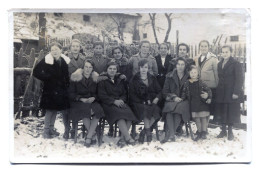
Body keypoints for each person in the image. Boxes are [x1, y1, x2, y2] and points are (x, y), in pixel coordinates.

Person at [33, 42, 70, 139]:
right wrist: (47, 77)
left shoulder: (64, 60)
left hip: (61, 90)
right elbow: (36, 72)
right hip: (50, 89)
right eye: (52, 49)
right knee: (50, 110)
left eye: (56, 49)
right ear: (50, 51)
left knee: (55, 110)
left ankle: (51, 129)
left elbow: (66, 76)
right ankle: (46, 131)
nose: (54, 51)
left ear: (61, 50)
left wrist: (67, 85)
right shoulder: (47, 60)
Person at [98, 61, 137, 147]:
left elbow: (124, 93)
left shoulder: (120, 80)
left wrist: (122, 100)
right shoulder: (102, 80)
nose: (112, 71)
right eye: (110, 69)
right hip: (108, 104)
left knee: (129, 115)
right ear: (106, 70)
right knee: (120, 116)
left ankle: (122, 138)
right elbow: (102, 95)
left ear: (117, 70)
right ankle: (127, 137)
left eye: (114, 69)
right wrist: (114, 101)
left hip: (120, 102)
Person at [69, 60, 105, 147]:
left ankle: (89, 136)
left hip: (92, 102)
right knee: (85, 111)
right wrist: (81, 99)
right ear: (83, 68)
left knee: (97, 111)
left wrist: (94, 98)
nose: (88, 69)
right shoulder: (75, 77)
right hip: (79, 102)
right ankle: (92, 135)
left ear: (92, 69)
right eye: (86, 67)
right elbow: (71, 93)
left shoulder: (95, 79)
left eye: (90, 67)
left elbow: (99, 93)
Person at [129, 59, 162, 144]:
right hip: (138, 103)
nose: (144, 69)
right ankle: (148, 135)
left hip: (151, 102)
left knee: (157, 111)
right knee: (145, 109)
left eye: (146, 67)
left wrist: (157, 98)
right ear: (139, 68)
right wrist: (142, 101)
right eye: (142, 67)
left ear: (148, 68)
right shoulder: (134, 79)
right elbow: (132, 95)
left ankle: (143, 132)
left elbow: (159, 91)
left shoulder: (152, 78)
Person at [215, 45, 244, 141]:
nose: (224, 54)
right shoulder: (219, 63)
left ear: (231, 52)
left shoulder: (236, 63)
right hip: (221, 92)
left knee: (230, 111)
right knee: (222, 110)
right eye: (223, 52)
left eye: (227, 52)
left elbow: (240, 79)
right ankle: (223, 130)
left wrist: (236, 92)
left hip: (231, 91)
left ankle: (230, 131)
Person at [160, 57, 191, 143]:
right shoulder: (169, 76)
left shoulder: (189, 76)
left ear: (185, 66)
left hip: (184, 100)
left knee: (179, 109)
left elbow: (191, 91)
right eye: (178, 64)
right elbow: (165, 91)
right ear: (175, 65)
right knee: (170, 110)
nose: (180, 66)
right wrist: (174, 97)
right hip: (172, 99)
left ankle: (171, 134)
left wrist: (182, 98)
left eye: (182, 64)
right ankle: (172, 135)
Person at [182, 65, 212, 140]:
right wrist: (182, 98)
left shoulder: (201, 82)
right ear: (189, 73)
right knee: (197, 118)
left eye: (195, 72)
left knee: (203, 118)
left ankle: (204, 131)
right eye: (191, 72)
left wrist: (209, 97)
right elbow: (184, 92)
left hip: (202, 103)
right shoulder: (187, 83)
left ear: (198, 73)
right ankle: (199, 131)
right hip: (193, 104)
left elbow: (209, 90)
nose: (193, 74)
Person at [194, 40, 219, 128]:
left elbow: (217, 74)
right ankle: (201, 128)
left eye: (205, 46)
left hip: (211, 87)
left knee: (208, 108)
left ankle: (206, 127)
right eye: (201, 46)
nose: (203, 48)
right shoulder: (197, 58)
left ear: (208, 48)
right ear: (199, 47)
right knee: (202, 108)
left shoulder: (213, 59)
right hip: (200, 87)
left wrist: (217, 86)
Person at [66, 39, 87, 139]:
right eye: (73, 46)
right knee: (66, 109)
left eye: (77, 46)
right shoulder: (66, 58)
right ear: (70, 48)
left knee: (78, 107)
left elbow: (86, 71)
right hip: (68, 86)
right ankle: (67, 128)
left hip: (79, 87)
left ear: (80, 48)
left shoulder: (83, 59)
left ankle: (79, 128)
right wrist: (72, 75)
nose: (75, 48)